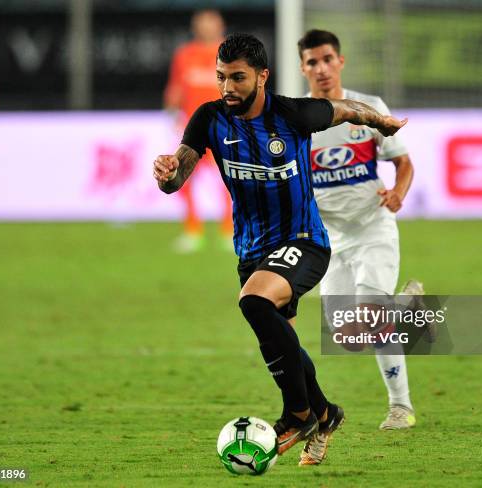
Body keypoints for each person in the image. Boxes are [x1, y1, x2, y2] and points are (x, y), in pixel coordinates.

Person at [153, 34, 407, 460]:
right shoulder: (209, 118)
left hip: (304, 240)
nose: (228, 87)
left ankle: (298, 414)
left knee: (253, 301)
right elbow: (178, 175)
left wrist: (382, 123)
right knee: (283, 343)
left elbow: (349, 111)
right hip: (252, 250)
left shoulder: (293, 113)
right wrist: (167, 176)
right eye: (221, 77)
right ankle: (326, 414)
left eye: (238, 78)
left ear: (262, 76)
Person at [298, 29, 421, 450]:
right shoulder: (298, 119)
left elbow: (403, 163)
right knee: (346, 335)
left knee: (372, 311)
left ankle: (400, 408)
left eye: (327, 58)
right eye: (313, 62)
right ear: (303, 69)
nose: (322, 68)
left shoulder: (368, 110)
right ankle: (404, 308)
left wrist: (397, 194)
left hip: (372, 227)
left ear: (341, 61)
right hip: (330, 238)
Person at [164, 9, 233, 252]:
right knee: (183, 176)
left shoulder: (232, 52)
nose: (206, 28)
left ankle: (230, 230)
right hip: (192, 128)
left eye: (210, 23)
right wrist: (173, 113)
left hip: (224, 127)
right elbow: (176, 87)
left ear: (220, 26)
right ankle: (193, 230)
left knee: (229, 179)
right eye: (202, 24)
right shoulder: (185, 55)